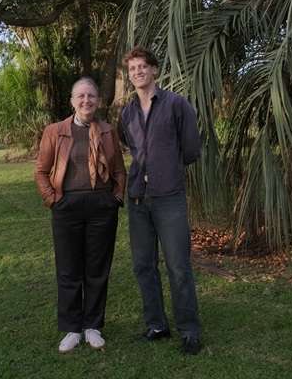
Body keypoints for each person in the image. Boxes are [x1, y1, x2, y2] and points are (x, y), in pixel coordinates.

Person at [117, 46, 203, 355]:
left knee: (178, 266)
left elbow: (191, 148)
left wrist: (167, 168)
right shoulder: (126, 113)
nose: (137, 71)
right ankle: (156, 324)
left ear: (154, 70)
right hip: (139, 199)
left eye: (143, 66)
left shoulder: (176, 105)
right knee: (143, 265)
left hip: (169, 198)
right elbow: (127, 142)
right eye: (132, 68)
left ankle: (189, 329)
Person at [35, 77, 127, 353]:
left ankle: (92, 326)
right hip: (67, 206)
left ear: (98, 101)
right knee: (69, 268)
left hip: (102, 206)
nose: (86, 101)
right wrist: (52, 200)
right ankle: (73, 328)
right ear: (72, 101)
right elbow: (41, 171)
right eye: (81, 96)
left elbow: (120, 171)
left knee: (97, 268)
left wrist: (116, 197)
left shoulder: (108, 131)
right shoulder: (55, 131)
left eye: (91, 96)